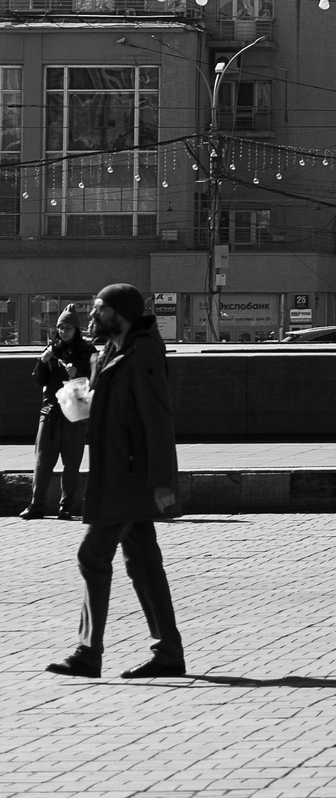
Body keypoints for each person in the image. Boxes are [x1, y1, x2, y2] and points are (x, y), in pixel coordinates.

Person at [46, 285, 183, 680]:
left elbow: (157, 417)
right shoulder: (111, 351)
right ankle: (169, 653)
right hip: (114, 470)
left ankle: (88, 653)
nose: (91, 317)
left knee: (92, 555)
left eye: (98, 309)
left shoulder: (144, 353)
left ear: (119, 314)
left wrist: (162, 480)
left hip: (131, 476)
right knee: (144, 563)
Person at [27, 304, 94, 521]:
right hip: (50, 412)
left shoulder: (87, 351)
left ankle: (66, 506)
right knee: (42, 461)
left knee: (71, 463)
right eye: (60, 328)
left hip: (75, 414)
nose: (64, 332)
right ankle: (36, 505)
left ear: (77, 329)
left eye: (68, 328)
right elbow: (39, 380)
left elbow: (96, 381)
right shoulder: (52, 349)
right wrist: (42, 362)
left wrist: (78, 375)